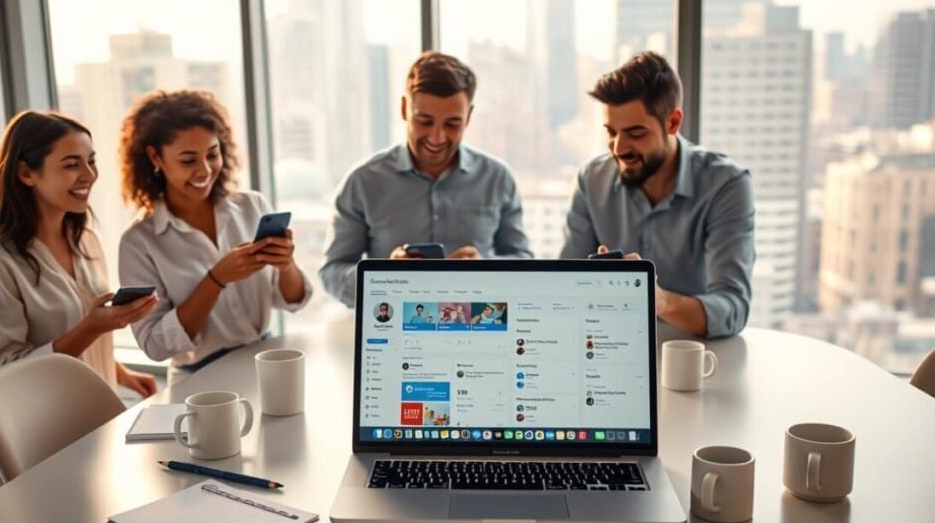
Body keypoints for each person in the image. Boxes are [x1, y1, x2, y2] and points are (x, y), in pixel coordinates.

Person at [117, 90, 311, 385]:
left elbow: (294, 300)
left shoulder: (251, 206)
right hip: (199, 386)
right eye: (188, 160)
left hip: (265, 368)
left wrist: (286, 265)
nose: (205, 170)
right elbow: (154, 345)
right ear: (155, 156)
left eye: (212, 154)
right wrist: (215, 279)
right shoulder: (139, 242)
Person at [560, 52, 755, 338]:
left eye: (636, 133)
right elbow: (565, 286)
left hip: (695, 356)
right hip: (610, 348)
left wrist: (658, 300)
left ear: (673, 122)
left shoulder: (726, 185)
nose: (618, 148)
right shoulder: (592, 179)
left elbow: (733, 307)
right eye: (611, 132)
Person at [0, 111, 158, 397]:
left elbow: (66, 332)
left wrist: (121, 374)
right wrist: (90, 328)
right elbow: (4, 373)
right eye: (71, 165)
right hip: (45, 429)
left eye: (91, 161)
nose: (89, 175)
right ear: (26, 173)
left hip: (99, 411)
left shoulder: (86, 241)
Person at [320, 51, 533, 307]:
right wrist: (385, 276)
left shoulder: (497, 178)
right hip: (394, 327)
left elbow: (523, 261)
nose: (437, 137)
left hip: (481, 323)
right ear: (403, 109)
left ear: (469, 116)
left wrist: (487, 269)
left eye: (452, 124)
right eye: (425, 121)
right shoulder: (363, 181)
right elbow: (332, 271)